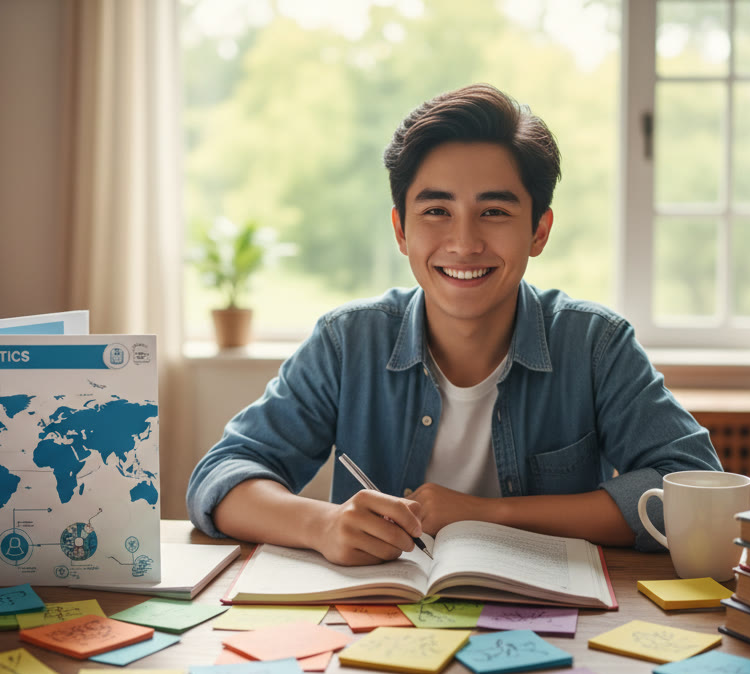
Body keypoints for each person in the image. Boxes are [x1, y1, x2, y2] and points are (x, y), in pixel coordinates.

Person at [187, 83, 721, 566]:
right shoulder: (348, 342)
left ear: (539, 231)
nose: (464, 243)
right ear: (400, 229)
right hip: (376, 627)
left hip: (551, 622)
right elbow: (222, 476)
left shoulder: (596, 344)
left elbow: (696, 491)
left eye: (493, 212)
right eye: (436, 211)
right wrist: (323, 524)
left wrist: (488, 514)